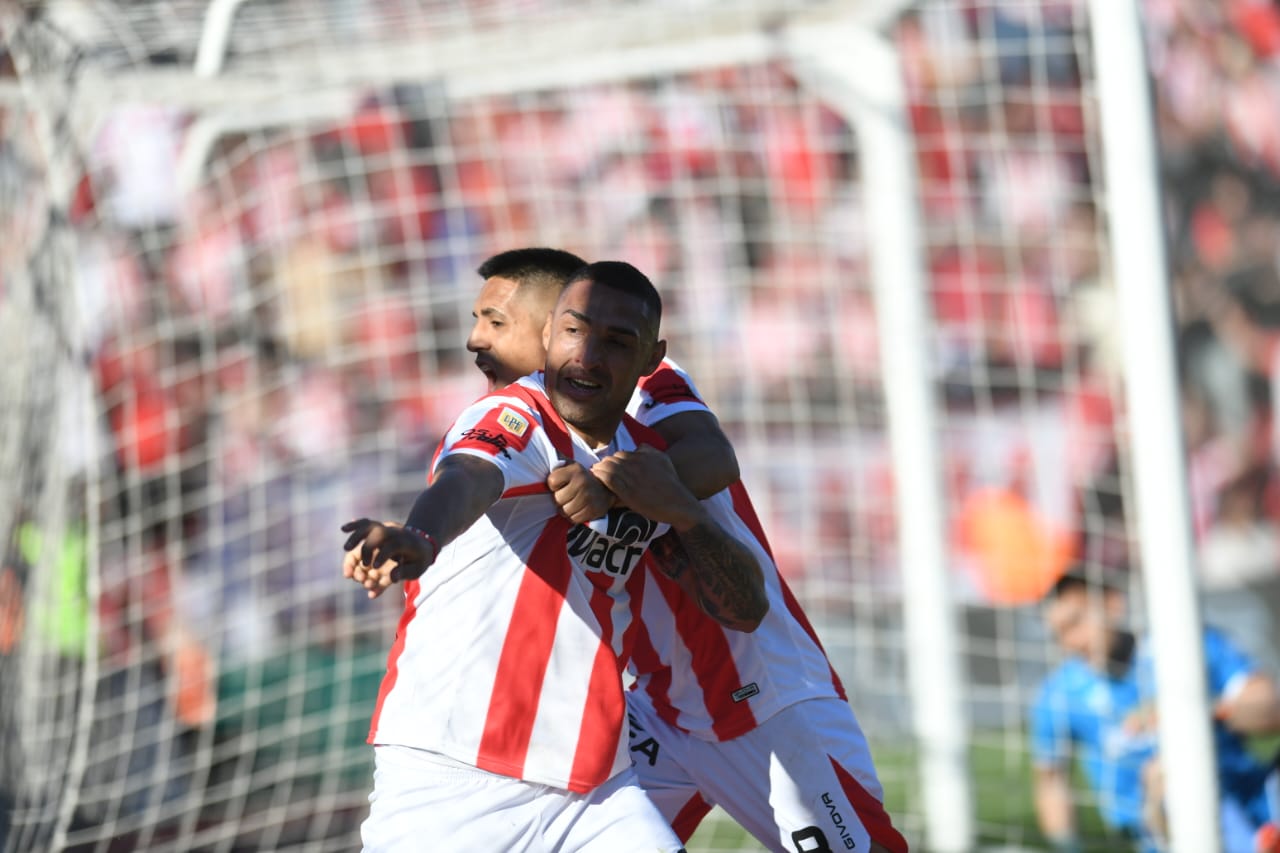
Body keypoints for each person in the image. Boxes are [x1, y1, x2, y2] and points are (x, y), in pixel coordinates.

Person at [349, 247, 906, 853]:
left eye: (496, 321)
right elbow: (467, 476)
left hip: (753, 693)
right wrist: (420, 537)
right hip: (630, 715)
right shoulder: (516, 417)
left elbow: (715, 460)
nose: (475, 339)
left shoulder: (646, 401)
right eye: (479, 318)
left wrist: (615, 487)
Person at [1030, 567, 1280, 852]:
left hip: (1254, 795)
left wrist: (1197, 712)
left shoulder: (1186, 648)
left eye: (1076, 623)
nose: (1071, 642)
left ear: (1113, 603)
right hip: (1166, 831)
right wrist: (1068, 847)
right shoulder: (1059, 694)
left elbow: (1271, 709)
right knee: (1168, 773)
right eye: (1058, 635)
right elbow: (1051, 780)